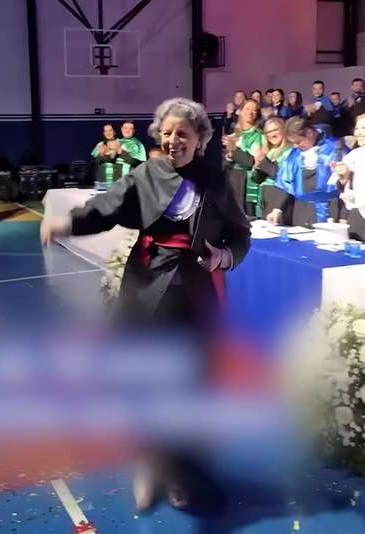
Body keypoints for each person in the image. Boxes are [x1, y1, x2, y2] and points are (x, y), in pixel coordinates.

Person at [40, 97, 250, 512]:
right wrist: (64, 223)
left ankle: (176, 469)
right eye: (167, 133)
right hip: (145, 290)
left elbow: (240, 234)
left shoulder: (216, 180)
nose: (173, 140)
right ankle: (145, 462)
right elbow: (104, 209)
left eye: (183, 134)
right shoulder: (145, 174)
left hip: (193, 297)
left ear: (201, 138)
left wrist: (224, 257)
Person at [266, 115, 342, 226]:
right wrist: (276, 209)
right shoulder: (293, 154)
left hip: (328, 211)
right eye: (292, 143)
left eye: (298, 142)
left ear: (309, 133)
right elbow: (286, 184)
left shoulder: (334, 150)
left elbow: (345, 186)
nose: (295, 146)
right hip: (300, 212)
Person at [222, 99, 263, 216]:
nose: (250, 112)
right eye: (247, 109)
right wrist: (227, 156)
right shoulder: (233, 135)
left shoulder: (257, 135)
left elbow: (253, 162)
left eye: (254, 110)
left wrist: (234, 150)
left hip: (244, 181)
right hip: (230, 178)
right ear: (240, 111)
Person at [329, 113, 365, 240]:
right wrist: (343, 177)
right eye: (357, 128)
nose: (359, 132)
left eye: (364, 128)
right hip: (358, 218)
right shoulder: (353, 156)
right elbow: (340, 188)